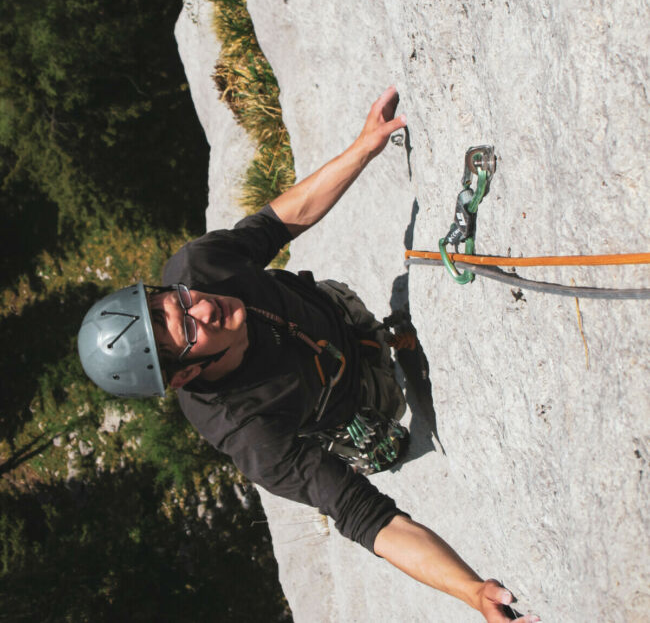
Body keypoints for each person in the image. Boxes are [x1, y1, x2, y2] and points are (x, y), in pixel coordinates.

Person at [78, 87, 540, 623]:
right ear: (184, 377)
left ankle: (376, 340)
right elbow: (363, 515)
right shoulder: (248, 431)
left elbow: (280, 221)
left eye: (177, 299)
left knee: (344, 307)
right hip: (354, 402)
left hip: (336, 312)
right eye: (188, 332)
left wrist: (364, 147)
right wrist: (470, 590)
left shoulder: (199, 266)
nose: (202, 305)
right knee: (383, 448)